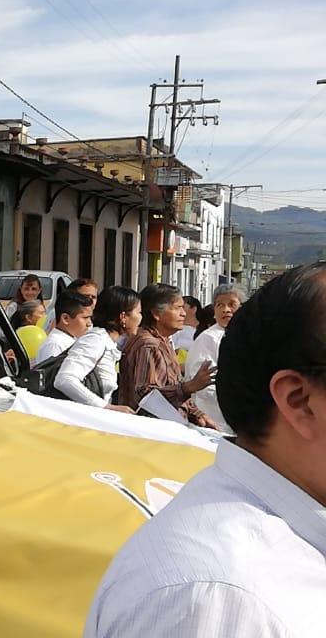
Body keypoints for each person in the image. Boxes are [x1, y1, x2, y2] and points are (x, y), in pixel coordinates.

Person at [85, 263, 326, 638]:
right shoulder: (218, 600)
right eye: (176, 306)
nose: (183, 312)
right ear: (300, 401)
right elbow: (150, 393)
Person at [117, 284, 215, 422]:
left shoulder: (164, 341)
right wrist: (188, 387)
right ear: (156, 313)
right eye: (177, 308)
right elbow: (146, 396)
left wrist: (197, 414)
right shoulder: (148, 344)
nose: (183, 313)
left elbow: (172, 385)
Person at [54, 286, 140, 410]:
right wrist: (106, 407)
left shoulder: (109, 342)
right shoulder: (96, 339)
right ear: (123, 317)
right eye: (139, 312)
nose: (140, 318)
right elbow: (65, 379)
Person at [185, 285, 246, 433]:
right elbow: (202, 382)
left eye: (232, 304)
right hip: (214, 419)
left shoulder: (246, 335)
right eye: (220, 305)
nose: (226, 309)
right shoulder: (208, 338)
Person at [37, 291, 95, 362]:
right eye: (85, 318)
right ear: (65, 319)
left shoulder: (72, 340)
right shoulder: (55, 345)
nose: (89, 323)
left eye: (90, 318)